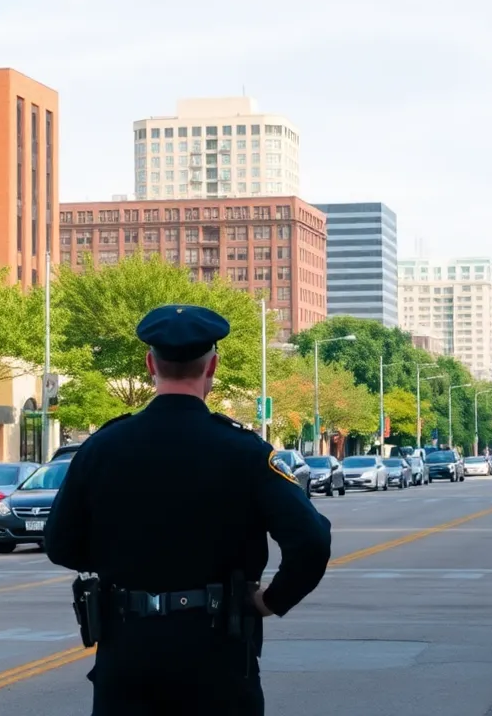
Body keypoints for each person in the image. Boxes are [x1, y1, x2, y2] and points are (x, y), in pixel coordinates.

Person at [44, 303, 333, 716]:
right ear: (212, 366)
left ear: (150, 364)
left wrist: (121, 560)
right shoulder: (245, 451)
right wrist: (270, 600)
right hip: (217, 654)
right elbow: (311, 539)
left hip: (128, 655)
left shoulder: (102, 448)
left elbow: (60, 544)